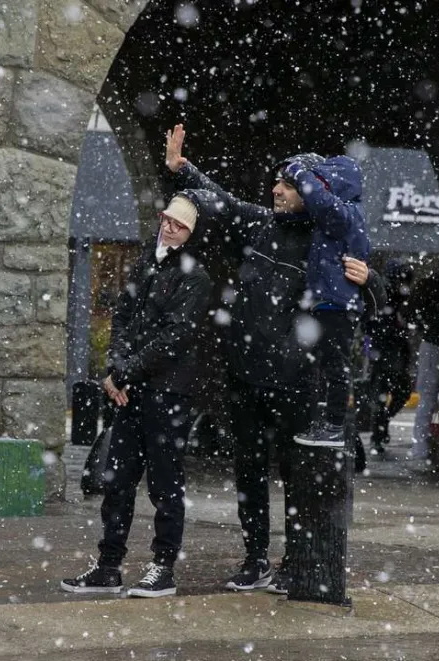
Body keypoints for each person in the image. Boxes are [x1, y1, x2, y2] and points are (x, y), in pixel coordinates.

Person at [163, 125, 374, 594]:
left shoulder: (328, 240)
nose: (276, 189)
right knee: (249, 472)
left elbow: (357, 297)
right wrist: (184, 170)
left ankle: (296, 561)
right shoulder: (262, 224)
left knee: (297, 474)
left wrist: (370, 279)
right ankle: (255, 557)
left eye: (286, 183)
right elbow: (224, 200)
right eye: (277, 182)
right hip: (245, 372)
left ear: (310, 191)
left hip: (295, 380)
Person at [61, 192, 214, 598]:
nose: (169, 227)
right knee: (118, 481)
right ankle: (108, 565)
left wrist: (125, 370)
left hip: (168, 393)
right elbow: (123, 318)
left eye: (178, 225)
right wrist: (116, 370)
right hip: (133, 390)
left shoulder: (195, 277)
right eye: (167, 220)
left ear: (190, 233)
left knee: (166, 484)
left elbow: (174, 337)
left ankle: (162, 567)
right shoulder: (147, 262)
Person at [276, 155, 370, 446]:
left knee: (335, 365)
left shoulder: (343, 214)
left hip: (335, 304)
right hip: (329, 302)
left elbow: (321, 201)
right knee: (329, 365)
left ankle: (334, 426)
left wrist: (301, 173)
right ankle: (329, 424)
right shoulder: (338, 216)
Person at [364, 259, 414, 456]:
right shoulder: (384, 295)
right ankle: (378, 433)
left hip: (394, 351)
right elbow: (373, 324)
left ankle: (381, 427)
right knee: (383, 393)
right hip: (385, 351)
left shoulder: (398, 297)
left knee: (398, 392)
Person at [410, 264, 439, 462]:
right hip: (438, 343)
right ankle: (426, 446)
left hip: (432, 343)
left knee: (427, 397)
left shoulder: (431, 287)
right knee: (431, 397)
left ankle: (422, 447)